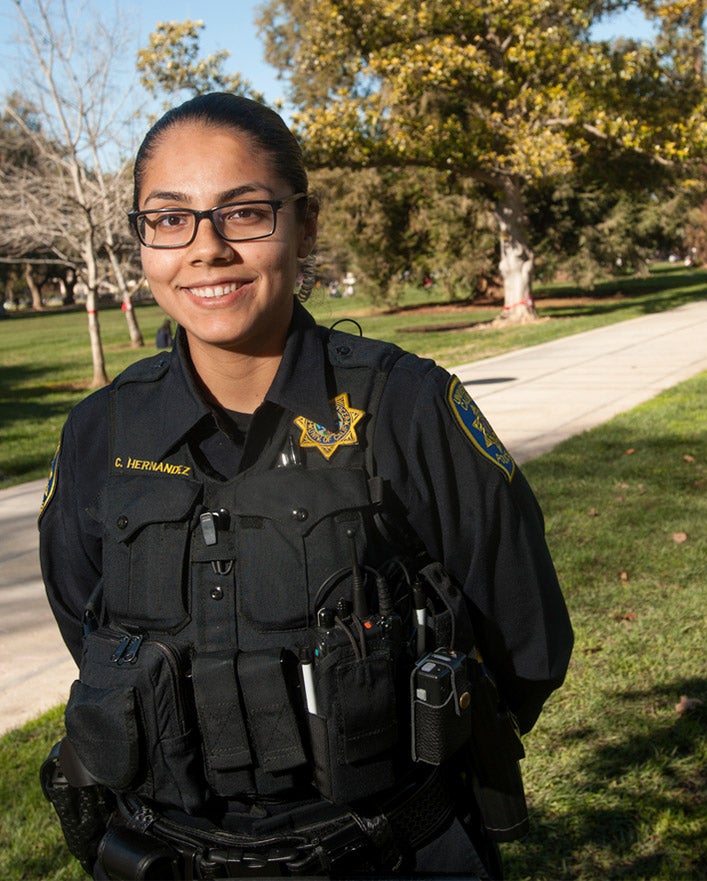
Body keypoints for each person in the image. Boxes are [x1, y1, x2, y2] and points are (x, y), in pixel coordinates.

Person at [37, 92, 573, 880]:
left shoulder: (409, 407)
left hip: (393, 855)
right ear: (142, 239)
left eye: (245, 212)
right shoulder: (99, 435)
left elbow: (527, 643)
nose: (206, 248)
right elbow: (86, 624)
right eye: (170, 218)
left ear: (306, 224)